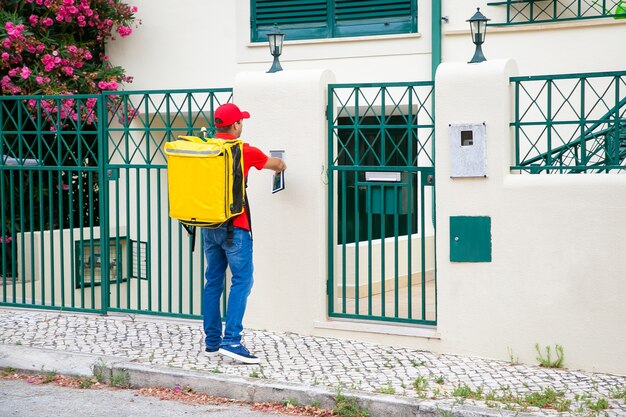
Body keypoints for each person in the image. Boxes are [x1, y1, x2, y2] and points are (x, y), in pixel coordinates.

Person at [202, 103, 286, 364]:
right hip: (236, 229)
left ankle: (212, 342)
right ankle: (232, 341)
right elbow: (277, 164)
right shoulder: (244, 151)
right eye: (241, 121)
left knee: (213, 283)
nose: (242, 125)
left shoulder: (204, 148)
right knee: (242, 281)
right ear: (236, 124)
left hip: (208, 226)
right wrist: (282, 163)